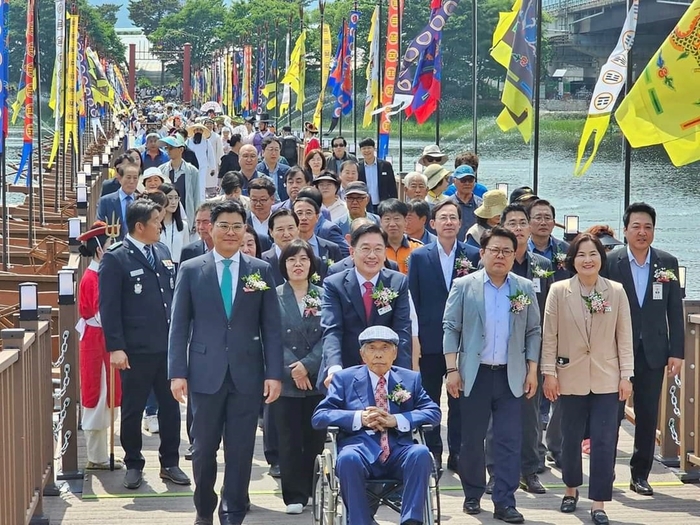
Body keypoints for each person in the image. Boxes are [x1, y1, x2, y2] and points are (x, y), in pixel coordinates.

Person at [168, 199, 283, 525]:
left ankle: (233, 512)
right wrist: (177, 372)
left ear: (245, 229)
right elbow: (178, 325)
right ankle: (204, 508)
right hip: (204, 374)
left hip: (248, 375)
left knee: (241, 449)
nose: (231, 232)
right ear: (210, 229)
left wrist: (274, 373)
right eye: (224, 226)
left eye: (237, 226)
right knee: (203, 449)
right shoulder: (192, 269)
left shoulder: (259, 271)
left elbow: (271, 327)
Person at [443, 226, 541, 523]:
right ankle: (472, 494)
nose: (500, 256)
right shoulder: (465, 286)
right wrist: (451, 370)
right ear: (482, 253)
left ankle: (505, 500)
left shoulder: (523, 287)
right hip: (475, 373)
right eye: (494, 250)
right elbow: (451, 328)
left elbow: (534, 331)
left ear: (515, 256)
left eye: (507, 251)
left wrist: (532, 370)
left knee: (509, 440)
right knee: (472, 439)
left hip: (511, 374)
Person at [542, 233, 633, 525]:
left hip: (607, 378)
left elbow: (625, 338)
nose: (587, 260)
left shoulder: (616, 291)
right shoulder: (558, 290)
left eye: (593, 254)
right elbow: (549, 337)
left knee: (605, 441)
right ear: (572, 260)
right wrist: (549, 374)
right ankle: (570, 490)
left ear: (600, 258)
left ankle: (599, 502)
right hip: (570, 377)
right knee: (569, 439)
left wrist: (626, 376)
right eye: (581, 255)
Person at [99, 199, 190, 490]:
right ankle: (134, 463)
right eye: (155, 221)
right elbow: (109, 307)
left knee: (170, 407)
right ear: (140, 226)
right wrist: (116, 346)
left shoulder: (161, 251)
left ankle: (169, 463)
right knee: (133, 408)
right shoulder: (116, 258)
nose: (161, 226)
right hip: (135, 349)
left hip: (166, 347)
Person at [311, 326, 441, 525]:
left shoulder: (409, 379)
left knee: (421, 453)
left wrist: (397, 420)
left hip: (399, 450)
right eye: (372, 348)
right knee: (347, 458)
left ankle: (411, 521)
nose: (378, 354)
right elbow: (320, 416)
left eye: (385, 347)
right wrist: (359, 417)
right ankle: (361, 522)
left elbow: (433, 412)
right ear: (362, 354)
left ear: (395, 353)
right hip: (360, 449)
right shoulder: (344, 379)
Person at [605, 202, 684, 497]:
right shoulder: (611, 261)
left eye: (647, 227)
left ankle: (640, 475)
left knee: (648, 415)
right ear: (625, 230)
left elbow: (675, 310)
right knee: (610, 414)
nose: (642, 232)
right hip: (615, 351)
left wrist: (676, 351)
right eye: (636, 226)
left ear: (653, 231)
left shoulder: (667, 263)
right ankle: (606, 472)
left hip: (653, 350)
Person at [408, 200, 480, 472]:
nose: (449, 222)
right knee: (429, 399)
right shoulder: (419, 256)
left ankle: (458, 452)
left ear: (461, 224)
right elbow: (412, 301)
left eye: (454, 218)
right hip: (428, 341)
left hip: (462, 343)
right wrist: (415, 341)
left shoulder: (472, 256)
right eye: (443, 218)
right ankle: (432, 451)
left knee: (460, 401)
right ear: (432, 223)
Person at [494, 203, 552, 494]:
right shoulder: (492, 263)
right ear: (503, 227)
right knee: (496, 417)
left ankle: (530, 470)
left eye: (522, 223)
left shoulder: (541, 266)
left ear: (530, 229)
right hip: (495, 351)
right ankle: (496, 471)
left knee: (531, 415)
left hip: (531, 350)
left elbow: (549, 312)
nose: (518, 228)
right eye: (512, 223)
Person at [272, 239, 327, 515]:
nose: (298, 264)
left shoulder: (322, 294)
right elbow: (270, 338)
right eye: (292, 260)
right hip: (286, 381)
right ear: (284, 264)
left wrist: (308, 365)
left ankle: (315, 489)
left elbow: (329, 334)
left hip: (316, 380)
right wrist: (294, 367)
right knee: (289, 439)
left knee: (315, 439)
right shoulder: (273, 295)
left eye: (303, 259)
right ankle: (294, 494)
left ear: (311, 264)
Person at [320, 223, 412, 387]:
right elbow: (332, 329)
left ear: (385, 253)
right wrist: (334, 368)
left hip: (385, 369)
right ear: (352, 252)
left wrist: (402, 374)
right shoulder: (334, 284)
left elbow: (402, 331)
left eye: (378, 249)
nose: (372, 255)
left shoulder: (398, 282)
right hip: (346, 369)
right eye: (365, 249)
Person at [76, 221, 122, 470]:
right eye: (109, 244)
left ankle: (101, 453)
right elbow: (101, 313)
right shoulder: (94, 278)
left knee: (106, 394)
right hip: (97, 341)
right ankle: (96, 456)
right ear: (99, 250)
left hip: (101, 339)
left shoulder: (98, 274)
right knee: (98, 394)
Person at [158, 134, 201, 239]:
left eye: (171, 148)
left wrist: (196, 218)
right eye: (167, 148)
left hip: (187, 215)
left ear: (181, 149)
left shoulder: (192, 171)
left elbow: (196, 196)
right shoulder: (162, 169)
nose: (168, 151)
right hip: (166, 217)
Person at [96, 158, 141, 241]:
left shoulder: (141, 201)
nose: (132, 181)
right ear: (120, 179)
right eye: (128, 177)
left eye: (135, 178)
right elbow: (99, 227)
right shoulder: (106, 201)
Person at [293, 196, 342, 269]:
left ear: (317, 217)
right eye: (299, 213)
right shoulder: (286, 247)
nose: (303, 218)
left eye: (308, 213)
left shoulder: (331, 248)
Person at [377, 199, 423, 275]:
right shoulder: (375, 250)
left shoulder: (418, 248)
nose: (392, 224)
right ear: (381, 222)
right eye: (387, 219)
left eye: (396, 219)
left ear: (405, 221)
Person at [357, 137, 397, 209]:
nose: (366, 150)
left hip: (383, 204)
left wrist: (394, 203)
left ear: (374, 148)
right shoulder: (358, 167)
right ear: (360, 150)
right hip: (364, 205)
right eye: (364, 148)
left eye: (369, 148)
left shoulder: (385, 165)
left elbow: (392, 186)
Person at [450, 165, 483, 241]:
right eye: (463, 180)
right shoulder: (447, 205)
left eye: (470, 180)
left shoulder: (481, 205)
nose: (467, 183)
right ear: (454, 181)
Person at [159, 183, 189, 265]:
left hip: (178, 267)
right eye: (170, 198)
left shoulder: (183, 225)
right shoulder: (155, 225)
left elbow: (186, 251)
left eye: (176, 198)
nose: (174, 202)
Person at [186, 123, 217, 199]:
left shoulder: (206, 142)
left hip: (202, 167)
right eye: (197, 130)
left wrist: (212, 167)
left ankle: (201, 201)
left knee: (201, 184)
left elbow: (211, 155)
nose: (198, 131)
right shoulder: (188, 142)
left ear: (202, 132)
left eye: (200, 130)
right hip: (190, 167)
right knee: (190, 184)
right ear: (194, 131)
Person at [247, 177, 276, 252]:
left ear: (272, 199)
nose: (258, 204)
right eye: (254, 200)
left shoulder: (279, 221)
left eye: (263, 200)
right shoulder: (242, 221)